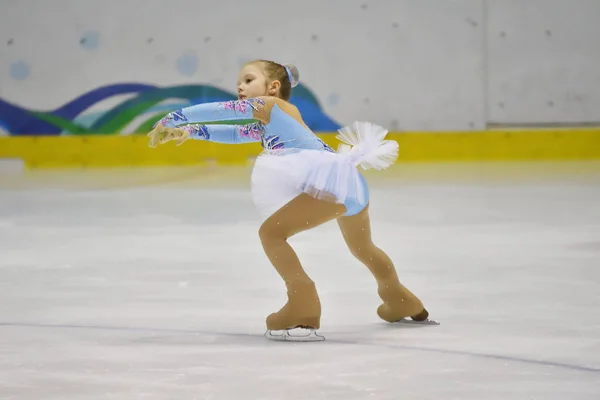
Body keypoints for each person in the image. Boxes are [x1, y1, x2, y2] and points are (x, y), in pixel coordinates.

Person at [147, 59, 436, 342]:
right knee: (363, 247)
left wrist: (174, 117)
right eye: (239, 83)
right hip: (350, 183)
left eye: (248, 80)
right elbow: (235, 133)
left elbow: (224, 110)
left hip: (331, 186)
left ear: (273, 87)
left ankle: (303, 302)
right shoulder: (272, 120)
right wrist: (191, 131)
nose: (240, 87)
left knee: (271, 233)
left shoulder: (270, 106)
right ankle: (399, 298)